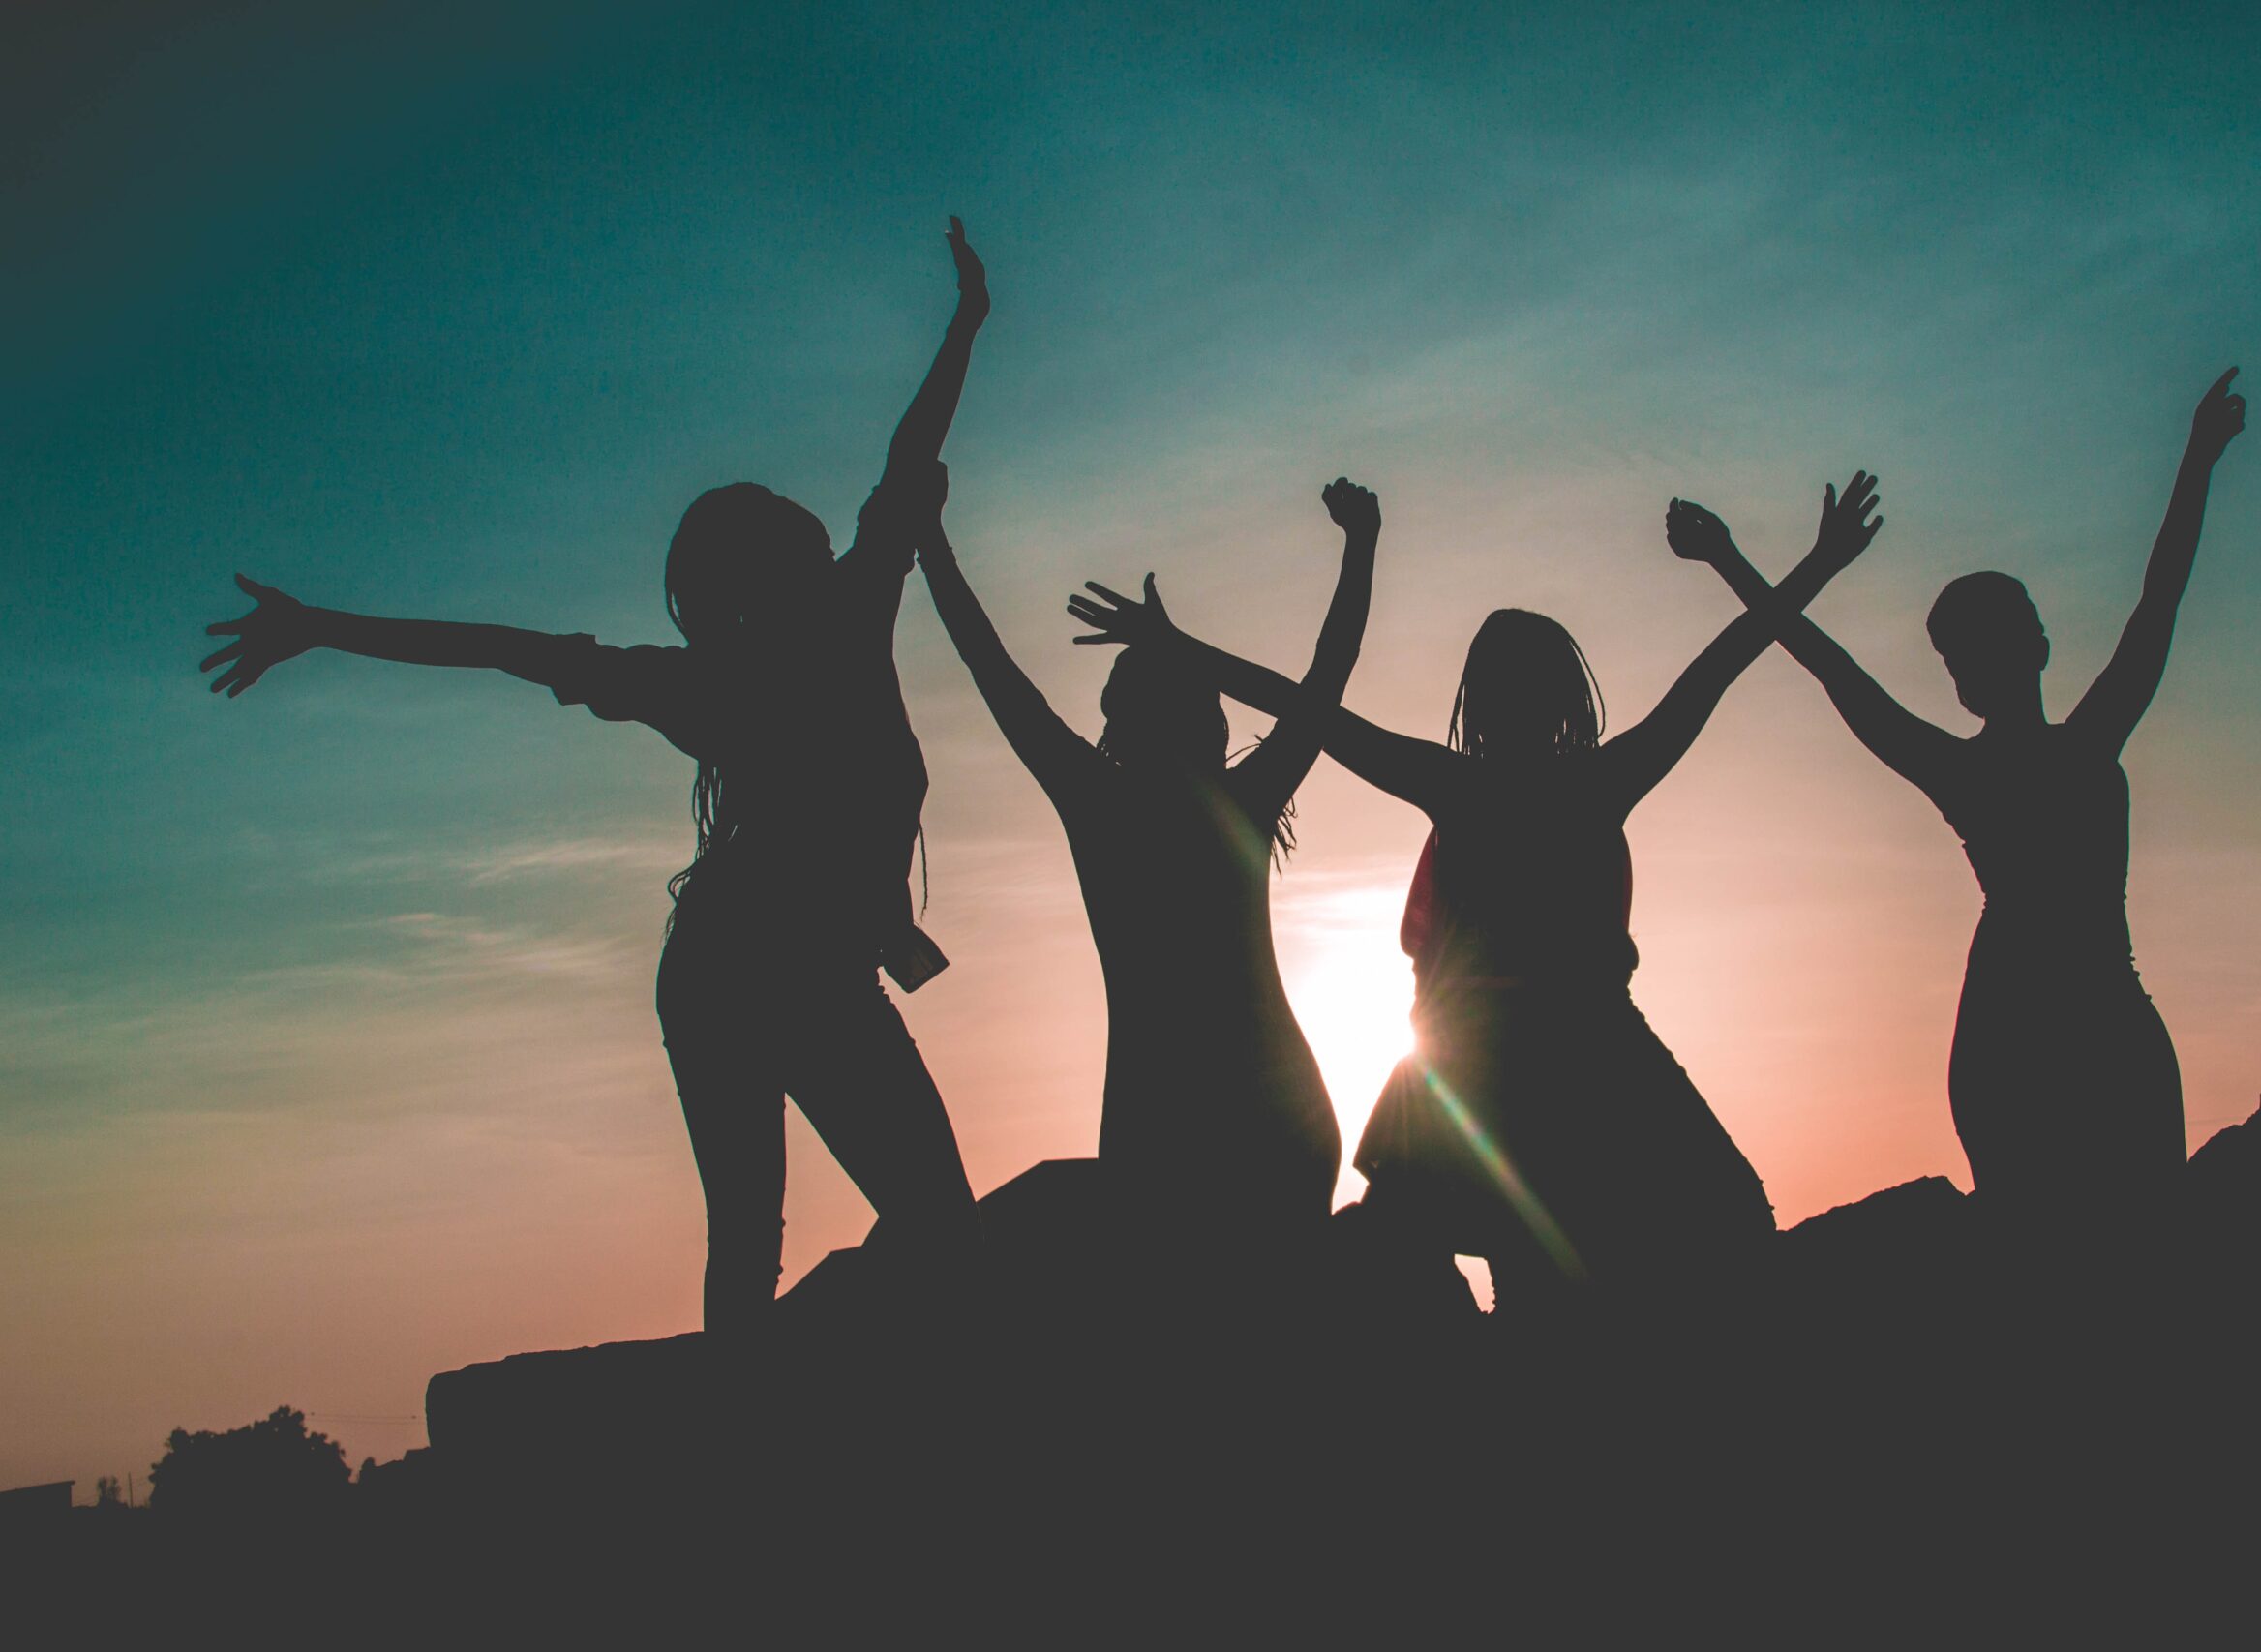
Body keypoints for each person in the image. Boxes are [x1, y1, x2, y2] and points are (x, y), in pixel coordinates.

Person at [199, 219, 996, 1331]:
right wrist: (321, 626)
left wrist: (965, 323)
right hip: (752, 968)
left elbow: (513, 648)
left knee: (831, 1237)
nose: (829, 547)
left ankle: (800, 1398)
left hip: (764, 961)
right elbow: (505, 647)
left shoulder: (787, 640)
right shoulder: (816, 632)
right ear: (777, 572)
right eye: (803, 543)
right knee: (799, 1237)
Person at [1068, 477, 1884, 1313]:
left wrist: (1178, 645)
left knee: (1556, 1264)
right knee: (1692, 1228)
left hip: (1493, 1059)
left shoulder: (1465, 783)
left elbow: (1302, 698)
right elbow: (1726, 659)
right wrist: (1803, 563)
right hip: (1568, 1053)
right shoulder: (1590, 780)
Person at [1667, 371, 2248, 1216]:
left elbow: (1831, 666)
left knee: (2095, 1240)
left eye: (1970, 650)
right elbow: (2159, 598)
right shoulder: (2056, 753)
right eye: (1959, 655)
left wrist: (1733, 559)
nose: (1969, 668)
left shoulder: (1990, 768)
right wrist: (2197, 460)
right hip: (2043, 1036)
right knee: (2105, 1244)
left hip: (2061, 1028)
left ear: (2028, 649)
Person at [918, 472, 1381, 1246]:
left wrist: (933, 546)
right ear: (1209, 720)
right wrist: (1361, 545)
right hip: (1280, 1128)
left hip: (1162, 1133)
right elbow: (1327, 675)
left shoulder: (1102, 802)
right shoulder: (1240, 801)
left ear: (1119, 724)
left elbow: (991, 669)